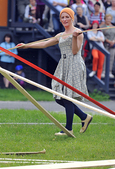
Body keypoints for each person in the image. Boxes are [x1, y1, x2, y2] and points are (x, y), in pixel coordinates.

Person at [17, 8, 92, 136]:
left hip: (74, 64)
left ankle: (68, 128)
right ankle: (84, 117)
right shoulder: (60, 35)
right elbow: (45, 44)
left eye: (67, 17)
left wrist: (74, 38)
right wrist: (27, 45)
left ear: (72, 18)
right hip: (63, 64)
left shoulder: (78, 33)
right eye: (62, 17)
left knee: (66, 96)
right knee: (58, 97)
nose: (64, 20)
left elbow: (75, 51)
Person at [101, 14, 115, 78]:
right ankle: (104, 71)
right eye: (107, 19)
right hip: (106, 45)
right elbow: (101, 35)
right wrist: (108, 40)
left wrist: (113, 41)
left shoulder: (113, 27)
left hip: (113, 45)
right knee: (105, 58)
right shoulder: (102, 26)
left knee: (111, 58)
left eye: (109, 19)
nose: (108, 20)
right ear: (105, 19)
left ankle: (109, 72)